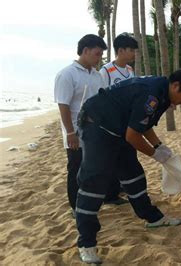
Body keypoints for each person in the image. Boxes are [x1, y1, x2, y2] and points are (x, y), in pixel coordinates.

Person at [74, 67, 181, 264]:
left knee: (133, 176)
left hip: (118, 129)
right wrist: (155, 154)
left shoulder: (163, 95)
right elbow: (133, 135)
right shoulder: (151, 93)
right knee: (94, 184)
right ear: (176, 85)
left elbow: (143, 125)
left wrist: (160, 146)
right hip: (98, 126)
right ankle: (86, 243)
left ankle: (153, 218)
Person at [54, 34, 107, 216]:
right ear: (85, 51)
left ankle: (89, 201)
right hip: (75, 131)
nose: (99, 58)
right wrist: (70, 132)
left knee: (91, 168)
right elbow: (63, 105)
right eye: (97, 54)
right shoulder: (67, 74)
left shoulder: (97, 75)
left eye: (100, 55)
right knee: (75, 168)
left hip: (95, 131)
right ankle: (75, 206)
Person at [97, 33, 139, 204]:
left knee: (128, 155)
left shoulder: (129, 70)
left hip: (127, 121)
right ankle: (110, 194)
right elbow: (100, 97)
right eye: (131, 50)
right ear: (120, 50)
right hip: (112, 122)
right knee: (112, 157)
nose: (133, 54)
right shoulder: (106, 71)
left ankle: (124, 187)